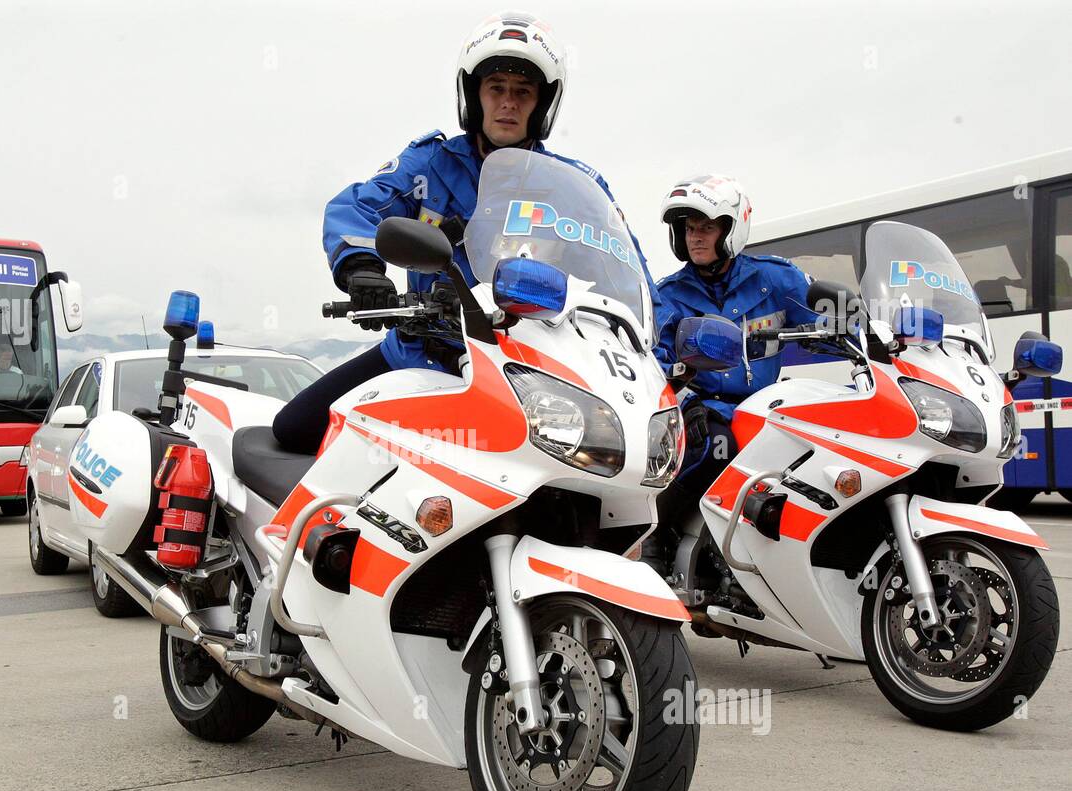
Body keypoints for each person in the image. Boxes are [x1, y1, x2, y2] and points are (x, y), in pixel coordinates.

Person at [272, 11, 658, 454]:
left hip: (534, 365)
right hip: (425, 349)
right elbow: (359, 205)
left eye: (523, 92)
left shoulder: (575, 188)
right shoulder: (431, 163)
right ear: (474, 96)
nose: (508, 103)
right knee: (295, 428)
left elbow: (627, 273)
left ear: (542, 104)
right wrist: (362, 267)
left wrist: (653, 354)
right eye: (496, 89)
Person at [648, 174, 816, 552]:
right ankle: (658, 537)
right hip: (702, 408)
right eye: (689, 228)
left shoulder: (775, 278)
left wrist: (867, 334)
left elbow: (834, 318)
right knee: (716, 443)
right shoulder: (668, 295)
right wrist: (675, 377)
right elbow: (653, 355)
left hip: (767, 409)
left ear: (731, 229)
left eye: (706, 227)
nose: (695, 237)